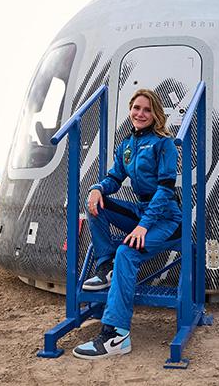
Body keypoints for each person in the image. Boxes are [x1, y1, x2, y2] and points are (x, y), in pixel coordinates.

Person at [72, 88, 181, 360]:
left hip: (166, 217)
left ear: (155, 114)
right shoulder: (126, 145)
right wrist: (97, 188)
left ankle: (116, 335)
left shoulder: (163, 143)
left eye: (147, 109)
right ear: (130, 110)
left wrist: (143, 226)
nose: (140, 113)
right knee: (94, 204)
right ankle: (105, 266)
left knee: (127, 253)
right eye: (136, 108)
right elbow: (114, 179)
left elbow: (166, 190)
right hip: (142, 210)